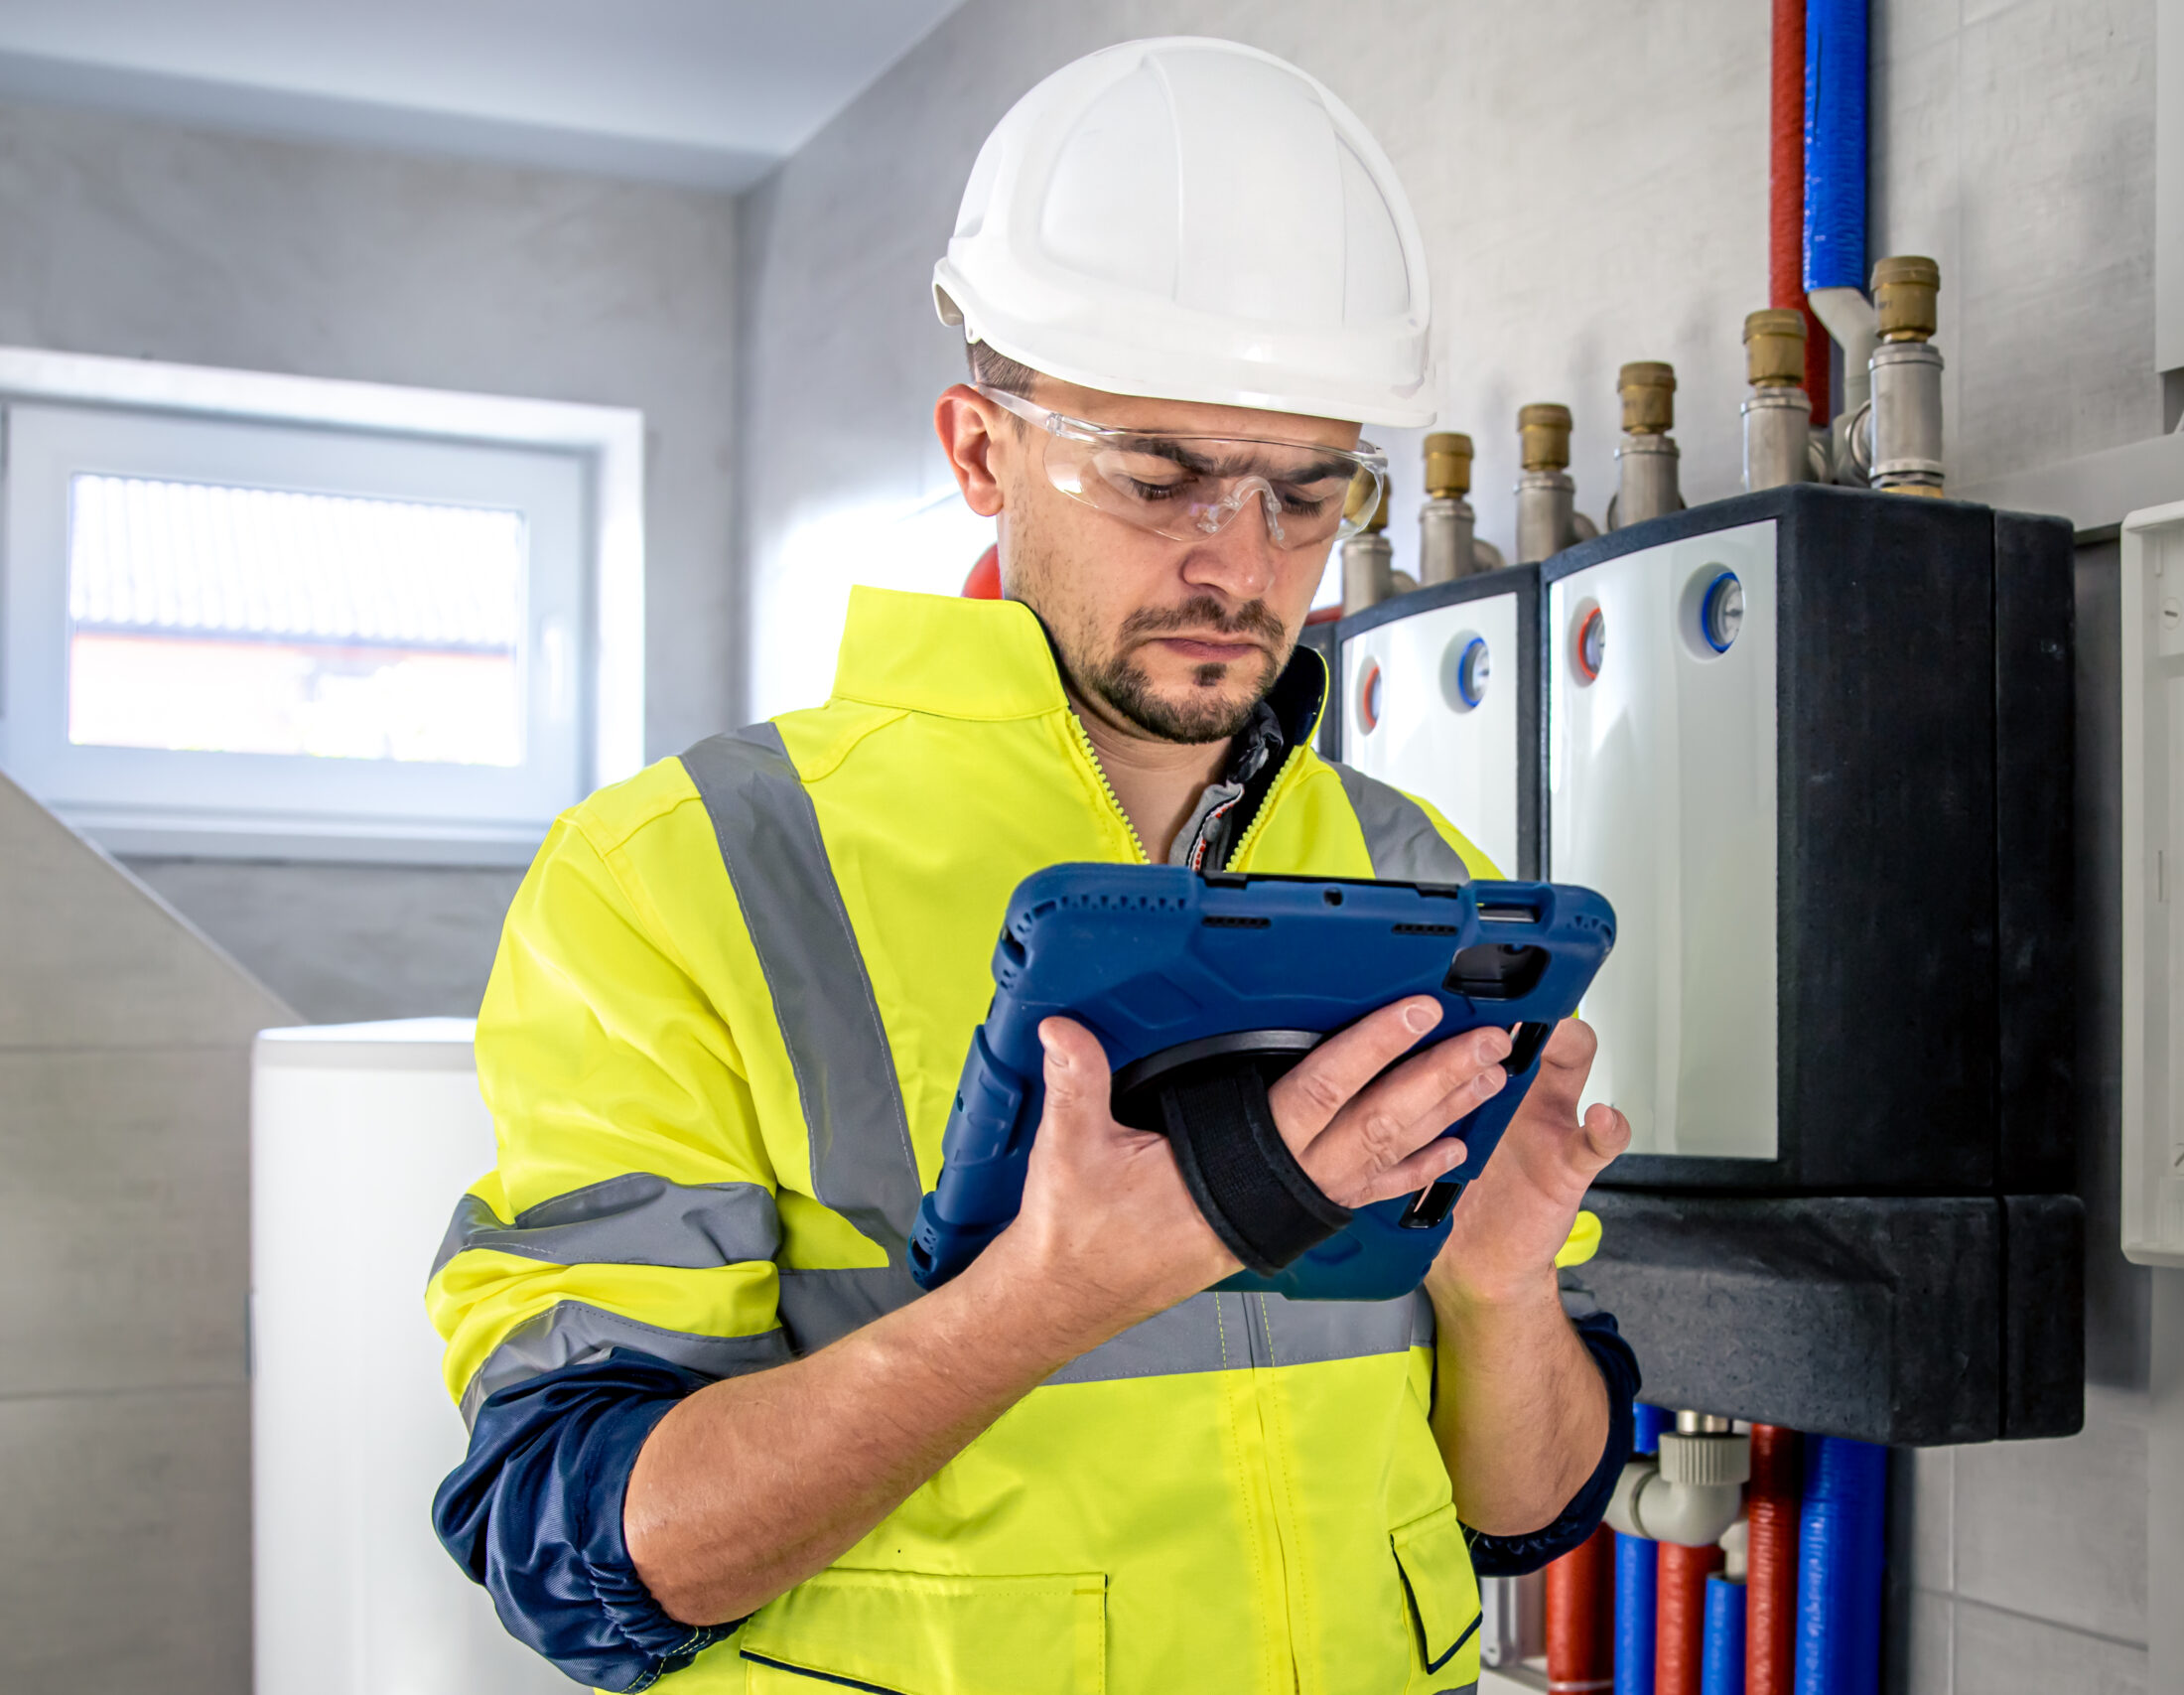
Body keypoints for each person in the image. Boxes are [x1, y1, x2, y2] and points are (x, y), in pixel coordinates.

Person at [428, 38, 1641, 1695]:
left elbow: (1525, 1513)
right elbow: (578, 1563)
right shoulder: (685, 872)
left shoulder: (1417, 873)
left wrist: (1502, 1291)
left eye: (1307, 494)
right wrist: (1048, 1297)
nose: (1239, 561)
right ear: (982, 453)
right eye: (1158, 475)